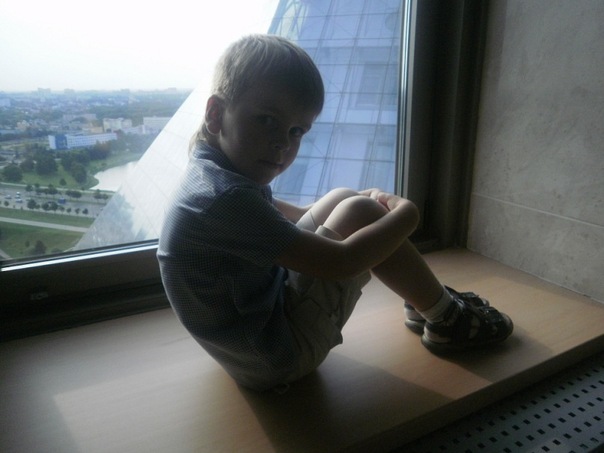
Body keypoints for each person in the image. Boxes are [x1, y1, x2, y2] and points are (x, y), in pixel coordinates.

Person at [157, 34, 513, 392]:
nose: (282, 143)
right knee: (359, 211)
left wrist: (355, 199)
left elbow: (289, 217)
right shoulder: (227, 197)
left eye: (297, 130)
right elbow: (342, 263)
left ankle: (424, 300)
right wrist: (407, 217)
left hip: (251, 337)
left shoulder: (213, 173)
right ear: (216, 114)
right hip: (277, 356)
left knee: (344, 198)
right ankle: (445, 319)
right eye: (266, 120)